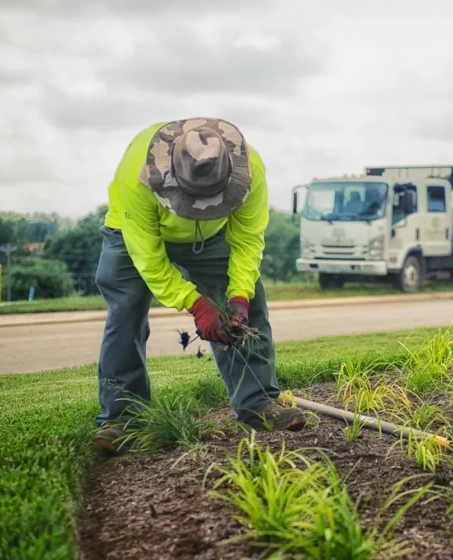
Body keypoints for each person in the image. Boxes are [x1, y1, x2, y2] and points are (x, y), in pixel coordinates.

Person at [92, 117, 306, 452]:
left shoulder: (250, 169)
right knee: (125, 312)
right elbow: (148, 259)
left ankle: (257, 404)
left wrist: (238, 295)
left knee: (251, 306)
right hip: (132, 232)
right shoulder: (138, 175)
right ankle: (123, 419)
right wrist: (196, 304)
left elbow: (247, 239)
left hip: (212, 236)